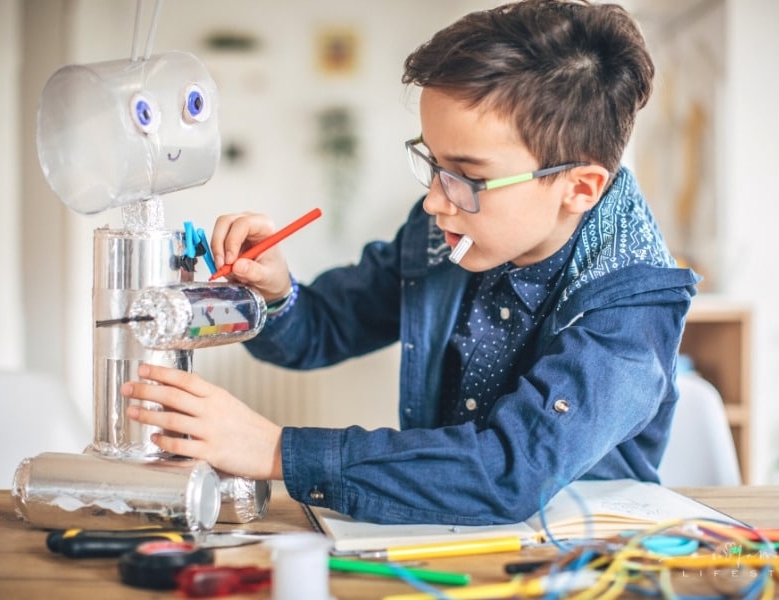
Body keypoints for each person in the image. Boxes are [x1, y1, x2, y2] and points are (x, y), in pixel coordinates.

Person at [124, 0, 700, 525]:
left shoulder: (632, 305)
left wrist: (276, 451)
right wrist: (276, 293)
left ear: (580, 188)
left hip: (582, 560)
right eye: (433, 163)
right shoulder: (445, 232)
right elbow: (322, 328)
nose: (433, 201)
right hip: (441, 536)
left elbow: (508, 470)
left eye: (468, 176)